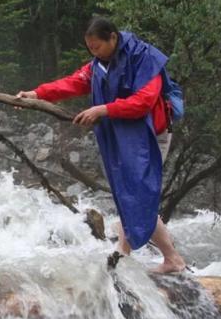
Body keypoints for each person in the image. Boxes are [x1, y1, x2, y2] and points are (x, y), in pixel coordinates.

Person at [16, 17, 186, 273]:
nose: (93, 53)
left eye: (96, 47)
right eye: (90, 49)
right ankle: (124, 255)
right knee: (127, 191)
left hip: (151, 134)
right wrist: (37, 94)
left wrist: (102, 109)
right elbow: (73, 82)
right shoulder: (100, 65)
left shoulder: (145, 58)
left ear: (113, 38)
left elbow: (143, 102)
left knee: (138, 194)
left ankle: (170, 259)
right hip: (123, 133)